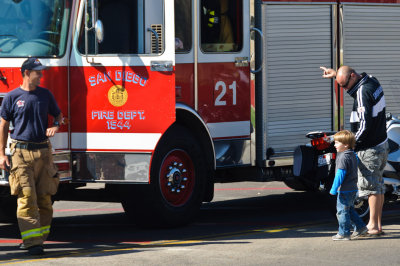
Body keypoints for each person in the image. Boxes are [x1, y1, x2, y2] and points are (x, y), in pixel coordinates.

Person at [0, 57, 62, 255]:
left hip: (43, 152)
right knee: (27, 198)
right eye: (38, 72)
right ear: (26, 73)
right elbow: (3, 126)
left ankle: (39, 238)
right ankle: (33, 242)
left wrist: (55, 126)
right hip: (20, 153)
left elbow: (59, 116)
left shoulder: (46, 95)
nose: (41, 75)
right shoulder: (12, 97)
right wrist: (1, 154)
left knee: (44, 198)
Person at [321, 66, 389, 237]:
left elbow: (364, 126)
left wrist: (351, 144)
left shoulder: (362, 92)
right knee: (378, 186)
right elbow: (354, 87)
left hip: (370, 148)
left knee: (371, 188)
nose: (345, 90)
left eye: (345, 85)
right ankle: (378, 224)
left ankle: (372, 225)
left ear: (353, 76)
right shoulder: (371, 80)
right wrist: (337, 74)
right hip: (381, 143)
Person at [330, 130, 368, 240]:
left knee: (342, 212)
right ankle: (360, 227)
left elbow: (340, 175)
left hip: (344, 190)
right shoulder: (353, 155)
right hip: (352, 189)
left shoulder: (342, 157)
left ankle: (344, 233)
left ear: (346, 145)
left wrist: (334, 188)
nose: (334, 144)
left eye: (337, 142)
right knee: (349, 210)